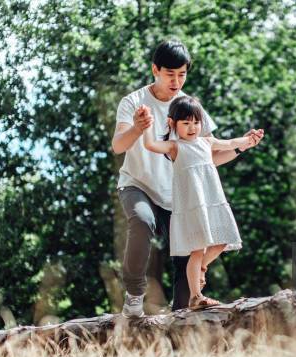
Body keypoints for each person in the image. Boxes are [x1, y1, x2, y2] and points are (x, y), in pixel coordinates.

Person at [112, 40, 264, 317]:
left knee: (187, 259)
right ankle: (134, 295)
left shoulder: (190, 107)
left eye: (182, 74)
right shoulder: (134, 102)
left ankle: (180, 316)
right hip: (138, 184)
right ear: (155, 70)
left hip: (179, 195)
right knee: (143, 221)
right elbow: (119, 146)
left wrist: (241, 146)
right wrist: (138, 127)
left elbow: (208, 157)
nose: (176, 81)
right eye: (170, 74)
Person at [142, 96, 251, 309]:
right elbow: (150, 144)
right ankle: (196, 296)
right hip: (192, 206)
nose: (192, 128)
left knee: (222, 241)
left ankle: (200, 269)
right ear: (173, 124)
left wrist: (248, 141)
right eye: (186, 123)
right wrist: (147, 125)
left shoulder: (207, 142)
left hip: (212, 201)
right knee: (198, 249)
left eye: (196, 122)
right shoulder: (175, 147)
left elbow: (230, 143)